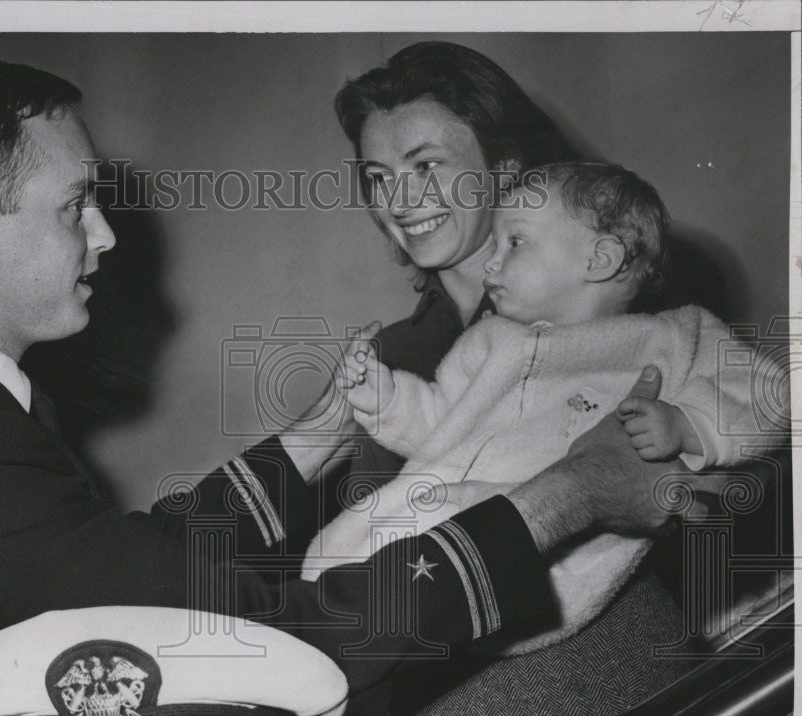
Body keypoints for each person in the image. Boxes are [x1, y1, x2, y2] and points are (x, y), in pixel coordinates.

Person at [0, 56, 673, 716]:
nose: (107, 234)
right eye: (76, 206)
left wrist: (315, 436)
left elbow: (135, 567)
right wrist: (570, 494)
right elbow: (270, 627)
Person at [316, 42, 700, 716]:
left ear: (506, 168)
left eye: (425, 166)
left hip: (624, 666)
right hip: (458, 695)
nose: (399, 201)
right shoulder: (390, 359)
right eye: (377, 176)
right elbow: (385, 580)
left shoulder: (630, 311)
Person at [305, 162, 778, 655]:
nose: (492, 263)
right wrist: (386, 399)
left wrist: (689, 424)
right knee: (345, 592)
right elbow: (438, 426)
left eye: (516, 243)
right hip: (435, 523)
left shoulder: (673, 337)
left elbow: (770, 392)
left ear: (599, 259)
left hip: (551, 559)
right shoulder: (489, 341)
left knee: (382, 617)